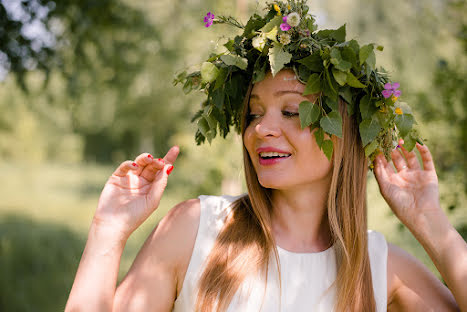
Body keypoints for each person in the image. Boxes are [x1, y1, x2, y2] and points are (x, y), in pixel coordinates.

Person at [66, 2, 466, 311]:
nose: (260, 129)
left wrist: (430, 222)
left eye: (291, 111)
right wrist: (109, 229)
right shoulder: (195, 230)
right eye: (254, 113)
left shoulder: (380, 268)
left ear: (346, 134)